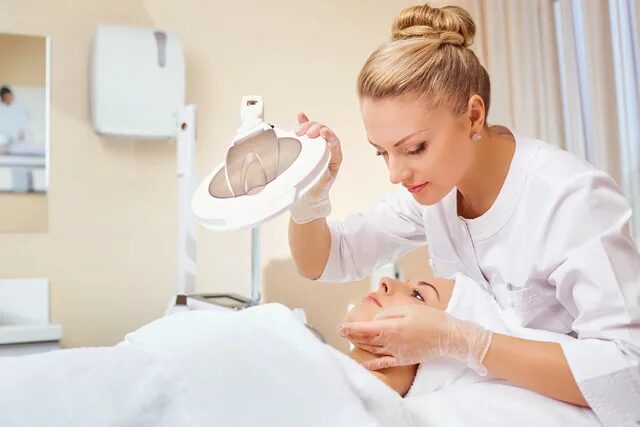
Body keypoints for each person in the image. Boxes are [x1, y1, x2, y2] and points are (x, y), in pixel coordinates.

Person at [287, 3, 640, 425]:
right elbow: (324, 259)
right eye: (383, 153)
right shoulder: (434, 192)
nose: (396, 173)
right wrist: (310, 192)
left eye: (414, 148)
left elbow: (630, 373)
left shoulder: (570, 199)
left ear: (474, 115)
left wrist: (464, 341)